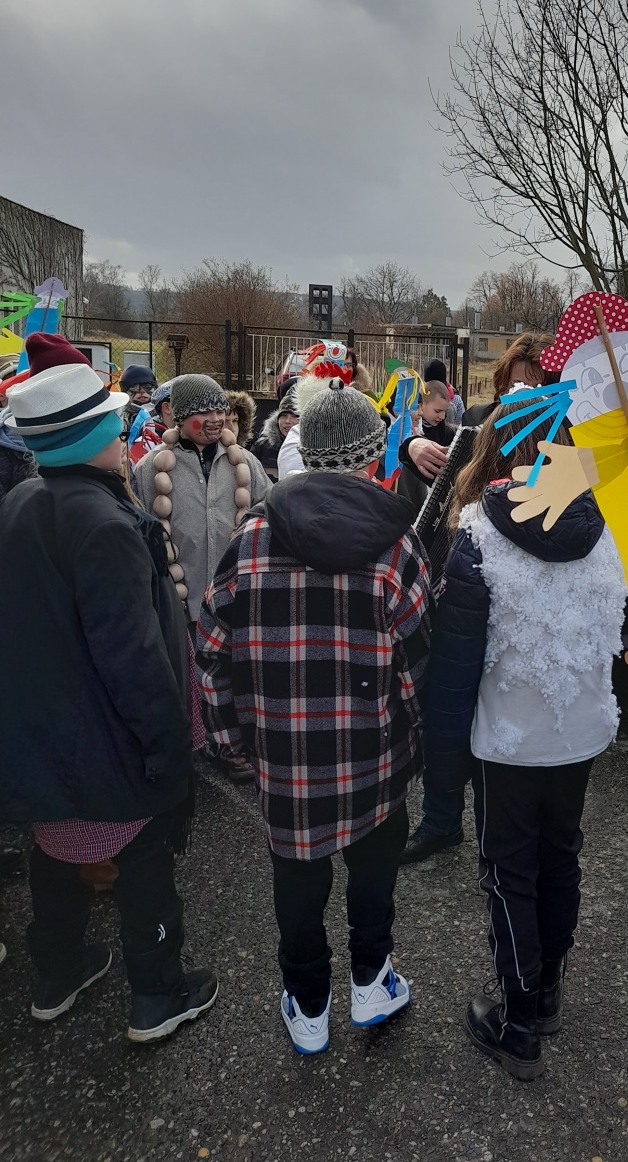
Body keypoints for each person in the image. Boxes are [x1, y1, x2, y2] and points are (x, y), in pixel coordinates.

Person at [197, 382, 431, 1054]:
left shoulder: (251, 538)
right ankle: (371, 979)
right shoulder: (398, 548)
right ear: (372, 457)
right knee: (374, 869)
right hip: (375, 756)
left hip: (285, 756)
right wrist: (418, 741)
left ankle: (307, 1001)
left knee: (297, 878)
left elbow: (211, 651)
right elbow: (418, 666)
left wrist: (231, 743)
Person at [0, 334, 217, 1042]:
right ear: (94, 438)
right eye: (115, 428)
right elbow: (133, 655)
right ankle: (158, 991)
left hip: (42, 730)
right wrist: (166, 749)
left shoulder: (21, 502)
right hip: (106, 736)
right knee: (144, 857)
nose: (126, 438)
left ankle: (57, 972)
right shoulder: (106, 525)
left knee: (54, 850)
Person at [422, 406, 627, 1080]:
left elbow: (456, 664)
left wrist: (441, 766)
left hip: (508, 737)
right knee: (560, 854)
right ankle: (546, 992)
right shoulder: (604, 528)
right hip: (579, 730)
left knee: (510, 871)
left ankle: (518, 1022)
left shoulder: (479, 535)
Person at [134, 375, 270, 784]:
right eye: (204, 412)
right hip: (185, 596)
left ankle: (234, 745)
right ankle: (202, 741)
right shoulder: (151, 468)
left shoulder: (244, 463)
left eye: (220, 410)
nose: (215, 419)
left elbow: (266, 512)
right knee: (195, 674)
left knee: (238, 671)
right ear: (181, 416)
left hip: (236, 595)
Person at [394, 380, 458, 516]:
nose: (442, 416)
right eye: (438, 411)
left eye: (445, 412)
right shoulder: (396, 438)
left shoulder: (447, 433)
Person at [250, 385, 299, 483]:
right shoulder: (262, 446)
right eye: (283, 416)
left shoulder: (311, 449)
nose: (287, 421)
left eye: (295, 416)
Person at [423, 357, 465, 426]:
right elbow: (460, 425)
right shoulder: (456, 398)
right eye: (437, 411)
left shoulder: (456, 400)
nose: (442, 416)